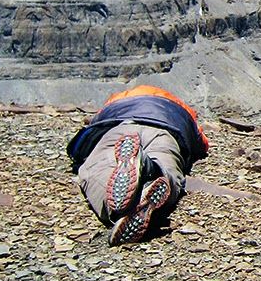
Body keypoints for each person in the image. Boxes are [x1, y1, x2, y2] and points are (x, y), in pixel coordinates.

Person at [67, 86, 209, 246]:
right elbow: (201, 143)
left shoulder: (113, 103)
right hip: (165, 130)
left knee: (98, 168)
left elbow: (82, 140)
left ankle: (115, 209)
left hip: (120, 128)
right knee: (168, 168)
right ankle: (153, 170)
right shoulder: (181, 108)